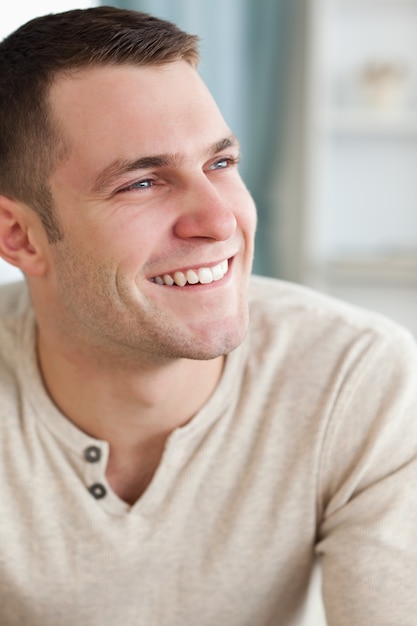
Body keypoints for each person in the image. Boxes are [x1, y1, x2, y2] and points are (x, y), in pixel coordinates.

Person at [0, 6, 416, 626]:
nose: (221, 221)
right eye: (141, 182)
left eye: (220, 164)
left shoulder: (355, 378)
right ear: (21, 236)